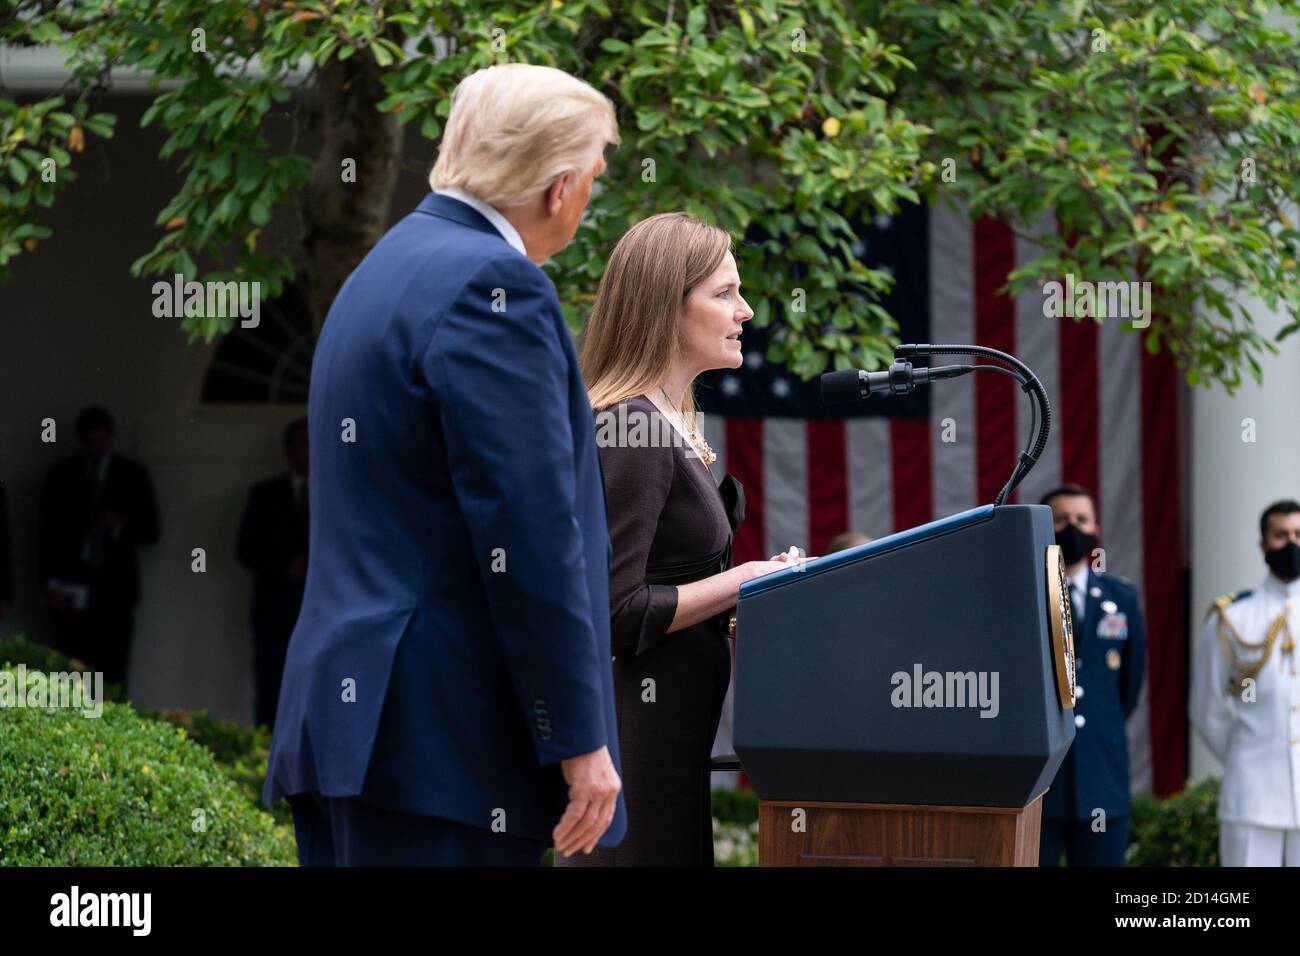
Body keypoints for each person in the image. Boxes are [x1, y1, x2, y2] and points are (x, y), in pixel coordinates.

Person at [263, 64, 626, 867]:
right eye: (594, 177)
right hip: (442, 748)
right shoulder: (495, 287)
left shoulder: (384, 267)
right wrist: (578, 739)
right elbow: (531, 534)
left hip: (359, 729)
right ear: (559, 186)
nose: (589, 195)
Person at [558, 212, 800, 866]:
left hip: (672, 743)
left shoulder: (669, 425)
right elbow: (613, 612)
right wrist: (746, 579)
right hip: (635, 745)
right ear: (666, 305)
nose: (745, 310)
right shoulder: (630, 429)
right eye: (724, 293)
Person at [1038, 482, 1146, 866]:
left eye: (1082, 519)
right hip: (1040, 780)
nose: (1073, 528)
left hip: (1101, 774)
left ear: (1096, 527)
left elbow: (1128, 688)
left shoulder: (1122, 597)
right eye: (1062, 519)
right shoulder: (1024, 595)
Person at [1190, 498, 1300, 866]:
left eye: (1298, 534)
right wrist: (1244, 755)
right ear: (1263, 544)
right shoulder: (1234, 616)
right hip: (1253, 789)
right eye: (1281, 535)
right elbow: (1206, 706)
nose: (1291, 543)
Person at [38, 406, 159, 689]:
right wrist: (50, 582)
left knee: (113, 672)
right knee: (70, 674)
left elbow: (151, 530)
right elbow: (46, 533)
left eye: (101, 441)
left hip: (114, 589)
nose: (96, 448)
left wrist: (118, 526)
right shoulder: (61, 475)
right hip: (72, 586)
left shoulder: (132, 474)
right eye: (90, 441)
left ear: (110, 438)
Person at [236, 417, 310, 729]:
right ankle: (264, 757)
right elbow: (245, 549)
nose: (307, 451)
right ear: (289, 451)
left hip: (318, 609)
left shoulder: (335, 493)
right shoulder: (265, 494)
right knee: (270, 684)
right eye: (301, 444)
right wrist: (285, 567)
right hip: (274, 608)